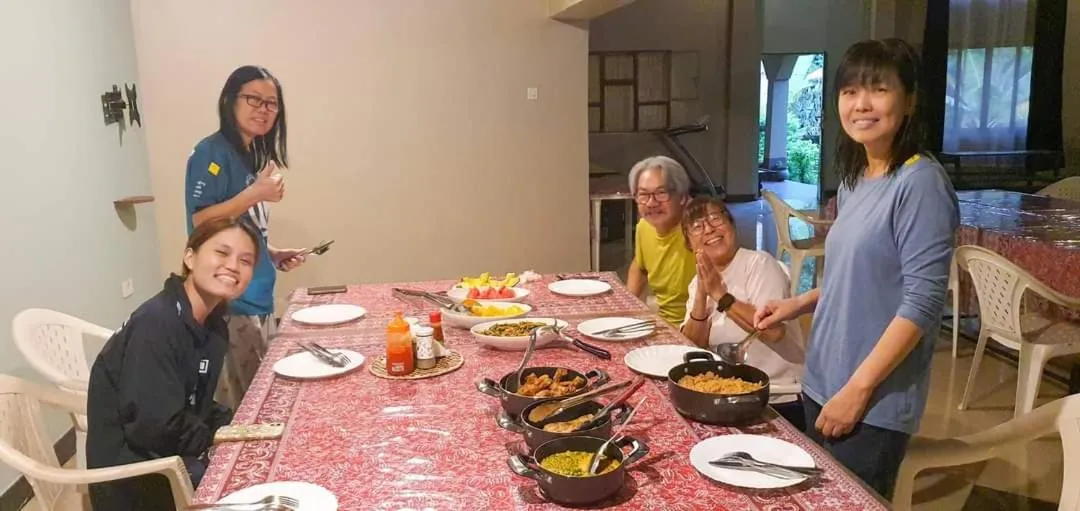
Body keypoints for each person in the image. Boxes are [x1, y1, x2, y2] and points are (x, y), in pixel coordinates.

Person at [754, 38, 959, 498]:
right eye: (849, 91)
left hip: (871, 398)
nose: (861, 104)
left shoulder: (920, 182)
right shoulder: (856, 180)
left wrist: (858, 390)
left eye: (878, 90)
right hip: (823, 376)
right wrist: (797, 302)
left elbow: (923, 303)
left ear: (909, 100)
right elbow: (855, 277)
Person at [86, 217, 261, 510]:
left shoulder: (213, 324)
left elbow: (195, 403)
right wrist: (217, 440)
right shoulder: (156, 323)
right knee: (249, 483)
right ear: (189, 257)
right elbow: (155, 428)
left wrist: (236, 425)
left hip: (165, 451)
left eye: (245, 260)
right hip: (136, 476)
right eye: (221, 252)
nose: (233, 265)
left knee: (258, 451)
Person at [185, 65, 306, 409]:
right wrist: (257, 192)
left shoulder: (253, 153)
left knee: (263, 400)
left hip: (259, 298)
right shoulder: (211, 153)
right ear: (229, 101)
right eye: (253, 99)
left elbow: (241, 225)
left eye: (271, 103)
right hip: (229, 304)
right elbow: (201, 223)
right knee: (245, 410)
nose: (263, 109)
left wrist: (271, 253)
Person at [679, 196, 806, 430]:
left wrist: (721, 296)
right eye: (697, 226)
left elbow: (774, 331)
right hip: (729, 395)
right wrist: (701, 293)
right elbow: (692, 345)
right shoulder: (699, 281)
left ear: (731, 225)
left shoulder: (759, 264)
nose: (709, 229)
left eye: (715, 218)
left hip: (776, 397)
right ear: (689, 244)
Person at [625, 156, 696, 326]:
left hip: (699, 326)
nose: (651, 202)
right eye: (643, 194)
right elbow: (639, 267)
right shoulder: (644, 227)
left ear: (682, 197)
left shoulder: (697, 228)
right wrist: (629, 311)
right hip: (664, 323)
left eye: (661, 193)